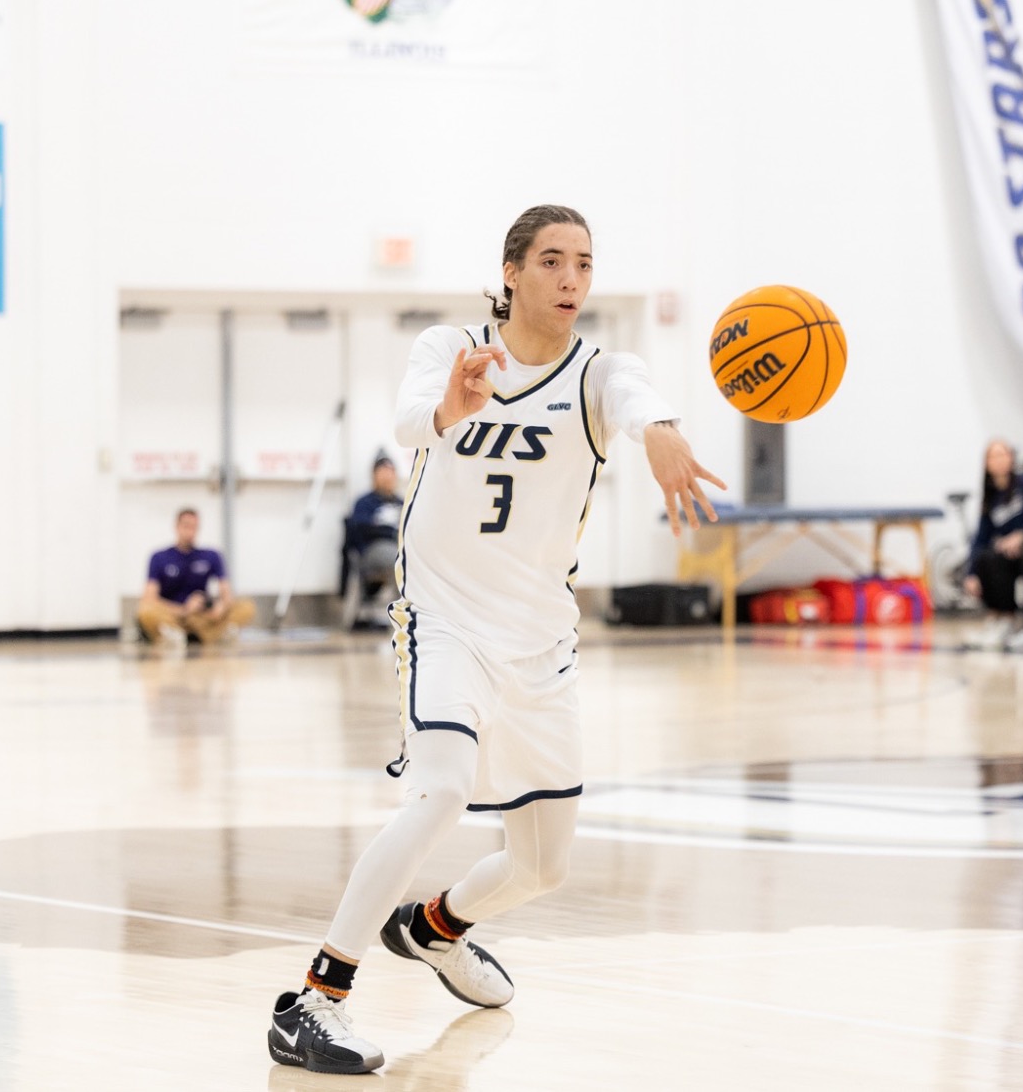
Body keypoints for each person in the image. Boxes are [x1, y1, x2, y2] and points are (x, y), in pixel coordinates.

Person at [267, 205, 724, 1076]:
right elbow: (407, 424)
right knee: (439, 792)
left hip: (540, 643)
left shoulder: (598, 370)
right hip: (442, 618)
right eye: (551, 261)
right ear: (510, 271)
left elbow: (635, 397)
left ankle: (432, 929)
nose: (569, 280)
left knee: (543, 866)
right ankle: (313, 1001)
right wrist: (452, 402)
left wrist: (661, 432)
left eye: (583, 264)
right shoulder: (451, 347)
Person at [963, 439, 1023, 651]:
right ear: (986, 463)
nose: (999, 460)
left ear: (1012, 458)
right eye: (993, 456)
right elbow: (981, 537)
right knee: (988, 558)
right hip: (1008, 555)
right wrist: (971, 573)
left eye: (1003, 454)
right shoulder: (990, 496)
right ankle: (1002, 619)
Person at [137, 508, 255, 647]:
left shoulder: (211, 555)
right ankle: (180, 634)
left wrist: (219, 607)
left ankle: (211, 634)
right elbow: (149, 598)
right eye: (186, 526)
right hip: (175, 616)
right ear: (177, 527)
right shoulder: (159, 557)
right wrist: (184, 609)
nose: (190, 531)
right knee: (145, 610)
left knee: (247, 606)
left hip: (204, 616)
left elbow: (226, 593)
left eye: (194, 527)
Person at [343, 454, 405, 623]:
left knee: (412, 558)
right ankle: (403, 615)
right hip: (372, 551)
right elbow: (362, 529)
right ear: (374, 475)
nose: (387, 476)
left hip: (399, 546)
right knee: (401, 559)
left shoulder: (402, 502)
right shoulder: (364, 502)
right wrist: (390, 532)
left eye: (390, 472)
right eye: (382, 472)